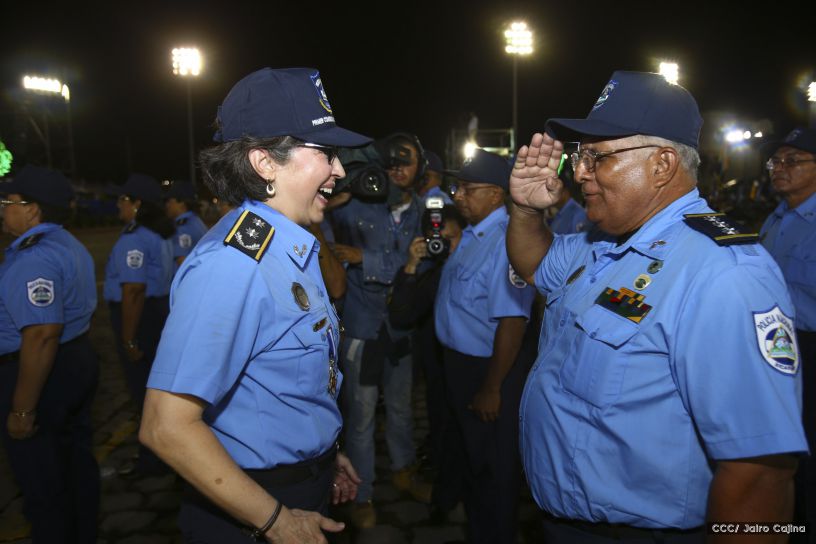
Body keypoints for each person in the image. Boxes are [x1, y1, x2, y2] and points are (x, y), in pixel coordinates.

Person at [506, 70, 808, 543]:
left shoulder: (724, 275)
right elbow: (535, 264)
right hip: (569, 524)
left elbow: (759, 473)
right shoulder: (602, 241)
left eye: (597, 157)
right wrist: (525, 210)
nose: (579, 172)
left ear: (662, 165)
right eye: (580, 157)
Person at [139, 67, 366, 543]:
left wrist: (325, 454)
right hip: (251, 507)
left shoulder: (290, 245)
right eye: (325, 153)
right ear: (265, 163)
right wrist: (276, 521)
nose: (339, 170)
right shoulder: (233, 267)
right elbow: (166, 427)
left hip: (300, 480)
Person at [329, 132, 431, 528]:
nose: (397, 170)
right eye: (391, 162)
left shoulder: (427, 211)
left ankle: (404, 472)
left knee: (403, 409)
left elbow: (422, 267)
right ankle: (362, 491)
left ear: (420, 167)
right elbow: (324, 242)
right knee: (362, 416)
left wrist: (365, 258)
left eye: (406, 161)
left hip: (401, 331)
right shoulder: (353, 205)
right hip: (361, 328)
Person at [433, 149, 535, 543]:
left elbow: (511, 323)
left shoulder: (508, 242)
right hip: (459, 364)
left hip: (488, 368)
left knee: (493, 468)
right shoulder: (474, 233)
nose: (457, 195)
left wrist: (492, 387)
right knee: (472, 458)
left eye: (467, 189)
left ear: (496, 194)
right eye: (457, 187)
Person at [0, 165, 99, 542]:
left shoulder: (33, 259)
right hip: (76, 359)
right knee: (75, 463)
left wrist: (22, 409)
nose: (3, 209)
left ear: (32, 210)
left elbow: (41, 333)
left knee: (42, 480)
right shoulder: (67, 244)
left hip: (42, 370)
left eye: (8, 202)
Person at [388, 204, 465, 519]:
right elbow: (402, 314)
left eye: (447, 236)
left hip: (471, 370)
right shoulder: (431, 273)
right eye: (435, 237)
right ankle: (447, 494)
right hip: (437, 368)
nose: (441, 243)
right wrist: (410, 264)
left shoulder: (481, 262)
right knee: (443, 429)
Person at [760, 127, 816, 532]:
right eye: (776, 161)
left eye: (792, 161)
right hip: (778, 349)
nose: (779, 168)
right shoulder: (775, 218)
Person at [104, 173, 174, 474]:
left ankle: (152, 460)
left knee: (142, 389)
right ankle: (165, 454)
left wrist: (129, 338)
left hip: (140, 316)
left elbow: (133, 290)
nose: (118, 205)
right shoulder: (161, 232)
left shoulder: (135, 237)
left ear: (136, 204)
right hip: (158, 312)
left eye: (122, 199)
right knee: (157, 388)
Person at [164, 179, 208, 270]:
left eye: (169, 201)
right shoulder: (196, 221)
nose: (167, 205)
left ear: (181, 203)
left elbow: (183, 264)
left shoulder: (182, 227)